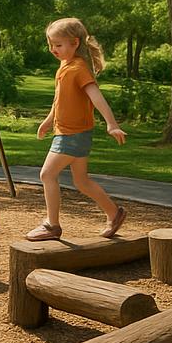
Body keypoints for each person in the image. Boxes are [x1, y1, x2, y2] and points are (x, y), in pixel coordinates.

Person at [26, 17, 128, 242]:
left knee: (47, 174)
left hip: (72, 135)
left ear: (74, 42)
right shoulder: (65, 66)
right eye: (51, 44)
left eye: (58, 45)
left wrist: (112, 124)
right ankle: (114, 213)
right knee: (81, 182)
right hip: (72, 133)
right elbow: (59, 100)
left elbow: (96, 97)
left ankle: (52, 226)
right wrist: (48, 121)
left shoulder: (79, 68)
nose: (53, 49)